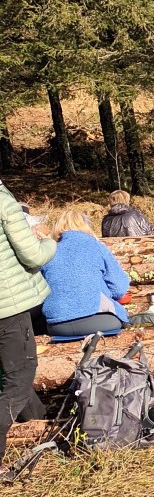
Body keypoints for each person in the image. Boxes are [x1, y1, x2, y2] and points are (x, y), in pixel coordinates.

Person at [0, 181, 55, 472]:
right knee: (19, 376)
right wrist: (50, 242)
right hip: (7, 306)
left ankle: (38, 422)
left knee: (12, 373)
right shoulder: (3, 201)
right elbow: (33, 255)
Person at [40, 209, 130, 336]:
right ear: (86, 226)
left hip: (58, 325)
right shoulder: (97, 246)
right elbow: (119, 289)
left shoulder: (49, 251)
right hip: (99, 320)